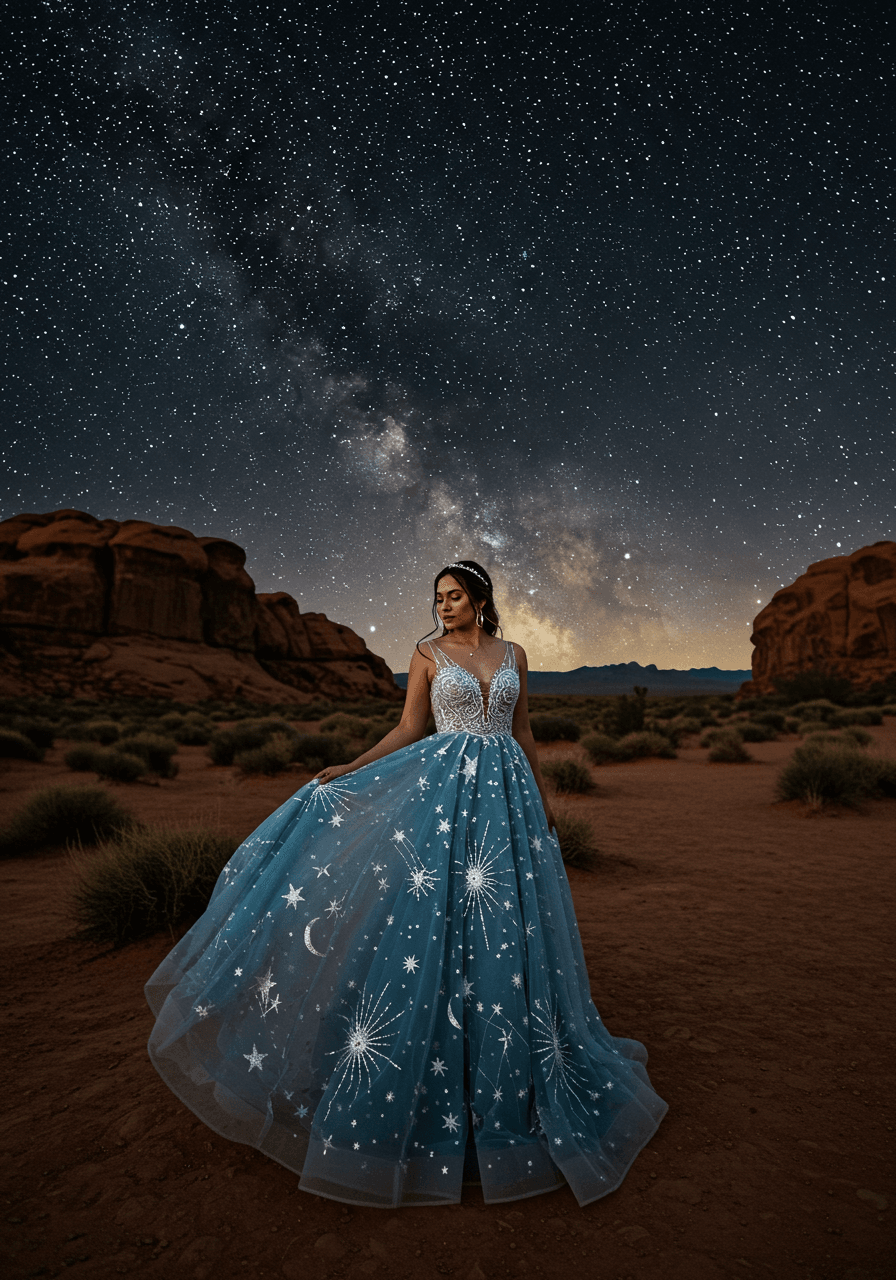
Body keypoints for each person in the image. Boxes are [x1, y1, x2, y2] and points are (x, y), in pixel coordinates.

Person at [145, 561, 667, 1208]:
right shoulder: (425, 654)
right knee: (430, 925)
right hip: (442, 804)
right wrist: (354, 766)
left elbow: (523, 733)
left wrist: (542, 798)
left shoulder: (516, 654)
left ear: (480, 600)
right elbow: (410, 729)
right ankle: (424, 1083)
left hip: (507, 805)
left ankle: (505, 1075)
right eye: (438, 598)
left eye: (454, 597)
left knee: (504, 931)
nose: (443, 606)